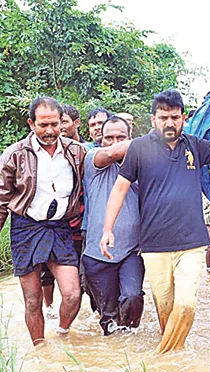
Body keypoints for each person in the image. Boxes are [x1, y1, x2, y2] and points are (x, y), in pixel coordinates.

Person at [100, 89, 210, 354]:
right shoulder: (139, 148)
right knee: (165, 311)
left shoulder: (194, 145)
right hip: (154, 245)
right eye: (163, 117)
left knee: (186, 305)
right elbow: (119, 189)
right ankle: (175, 361)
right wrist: (108, 229)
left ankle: (161, 360)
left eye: (175, 117)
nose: (169, 123)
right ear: (153, 119)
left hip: (192, 242)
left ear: (183, 118)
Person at [0, 97, 86, 345]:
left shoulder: (76, 152)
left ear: (62, 123)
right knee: (32, 300)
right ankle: (40, 349)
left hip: (60, 228)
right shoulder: (14, 155)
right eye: (43, 125)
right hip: (26, 229)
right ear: (31, 124)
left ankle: (62, 334)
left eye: (55, 124)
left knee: (72, 294)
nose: (50, 131)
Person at [82, 116, 145, 336]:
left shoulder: (142, 167)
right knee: (109, 319)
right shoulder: (93, 160)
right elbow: (110, 153)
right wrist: (156, 138)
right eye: (109, 138)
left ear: (130, 137)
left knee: (133, 297)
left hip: (132, 251)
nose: (114, 142)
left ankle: (133, 354)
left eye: (121, 137)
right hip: (98, 254)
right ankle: (114, 361)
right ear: (100, 140)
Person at [41, 103, 85, 319]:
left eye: (59, 123)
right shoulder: (30, 152)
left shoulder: (83, 151)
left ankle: (66, 325)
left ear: (76, 123)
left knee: (74, 281)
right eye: (45, 124)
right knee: (45, 273)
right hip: (48, 225)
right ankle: (48, 307)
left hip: (77, 224)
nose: (55, 128)